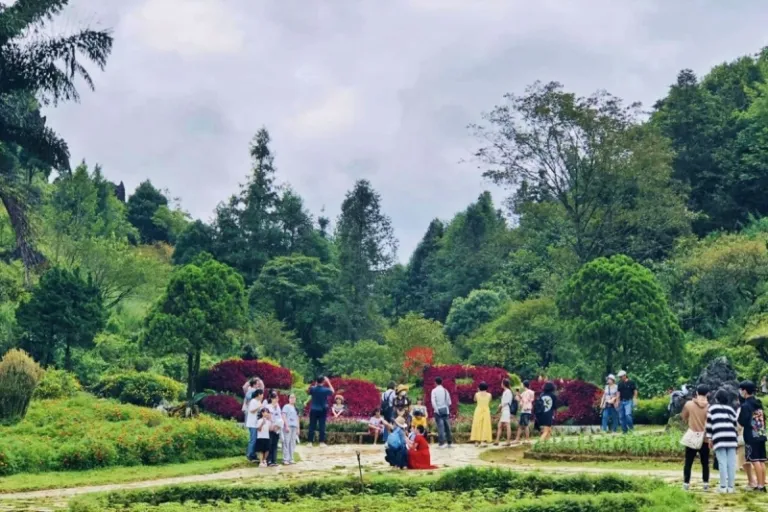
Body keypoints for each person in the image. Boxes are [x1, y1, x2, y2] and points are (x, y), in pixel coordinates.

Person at [707, 389, 739, 493]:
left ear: (716, 399)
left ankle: (723, 487)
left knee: (722, 462)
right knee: (731, 463)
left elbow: (709, 425)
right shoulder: (730, 409)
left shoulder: (712, 408)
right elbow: (735, 424)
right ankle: (731, 487)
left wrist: (709, 439)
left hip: (719, 437)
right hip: (731, 437)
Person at [739, 380, 767, 492]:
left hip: (751, 436)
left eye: (741, 390)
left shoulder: (746, 405)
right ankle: (762, 484)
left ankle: (760, 486)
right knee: (761, 460)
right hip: (760, 433)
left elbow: (742, 422)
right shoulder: (758, 403)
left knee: (755, 460)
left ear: (744, 391)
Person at [681, 385, 710, 491]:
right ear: (708, 394)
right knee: (705, 462)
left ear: (697, 393)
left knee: (688, 461)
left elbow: (683, 416)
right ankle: (706, 484)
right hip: (705, 438)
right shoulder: (709, 407)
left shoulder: (689, 404)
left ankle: (686, 483)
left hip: (692, 436)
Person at [308, 375, 335, 447]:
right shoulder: (325, 390)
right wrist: (328, 382)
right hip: (322, 409)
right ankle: (321, 442)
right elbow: (333, 391)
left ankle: (310, 442)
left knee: (312, 426)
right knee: (322, 426)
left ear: (317, 381)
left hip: (313, 409)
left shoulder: (313, 389)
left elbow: (310, 390)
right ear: (323, 381)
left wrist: (316, 383)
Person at [431, 377, 453, 449]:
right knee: (447, 427)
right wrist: (445, 407)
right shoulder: (445, 390)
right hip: (445, 411)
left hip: (438, 411)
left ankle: (442, 443)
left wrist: (437, 410)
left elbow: (433, 402)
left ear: (435, 382)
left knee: (440, 428)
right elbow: (449, 402)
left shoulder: (434, 391)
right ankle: (449, 442)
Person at [470, 381, 493, 446]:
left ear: (479, 387)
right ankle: (484, 440)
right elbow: (489, 400)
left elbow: (474, 400)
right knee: (485, 425)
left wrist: (478, 391)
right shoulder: (489, 395)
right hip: (486, 410)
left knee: (477, 425)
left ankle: (477, 441)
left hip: (478, 410)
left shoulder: (476, 394)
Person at [245, 388, 265, 462]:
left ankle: (253, 454)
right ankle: (250, 455)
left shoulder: (259, 402)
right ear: (259, 394)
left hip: (256, 424)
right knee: (253, 440)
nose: (263, 396)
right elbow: (251, 410)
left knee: (255, 440)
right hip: (252, 424)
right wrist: (259, 407)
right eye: (262, 394)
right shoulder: (253, 401)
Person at [265, 390, 284, 467]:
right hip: (270, 427)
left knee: (275, 444)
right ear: (272, 399)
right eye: (275, 398)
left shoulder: (278, 407)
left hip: (277, 428)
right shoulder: (268, 406)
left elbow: (279, 417)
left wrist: (278, 426)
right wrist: (271, 425)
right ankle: (268, 460)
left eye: (277, 398)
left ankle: (274, 460)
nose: (277, 400)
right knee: (270, 443)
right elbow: (267, 417)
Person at [495, 378, 514, 446]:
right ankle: (497, 440)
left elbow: (506, 402)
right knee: (500, 425)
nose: (501, 384)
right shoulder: (505, 391)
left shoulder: (508, 391)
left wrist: (500, 406)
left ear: (504, 384)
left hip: (506, 410)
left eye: (501, 383)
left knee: (507, 425)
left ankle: (508, 441)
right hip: (504, 410)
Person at [281, 393, 299, 465]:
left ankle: (291, 458)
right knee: (286, 442)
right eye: (291, 397)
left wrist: (298, 428)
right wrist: (286, 425)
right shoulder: (286, 406)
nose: (292, 399)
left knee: (292, 443)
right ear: (288, 399)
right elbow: (283, 416)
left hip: (294, 427)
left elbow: (297, 418)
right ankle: (285, 459)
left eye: (294, 397)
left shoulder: (296, 408)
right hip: (288, 426)